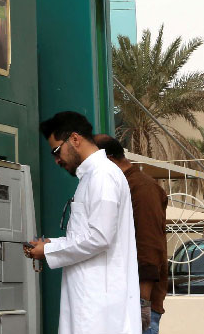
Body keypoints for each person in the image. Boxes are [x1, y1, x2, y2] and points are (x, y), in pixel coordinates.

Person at [25, 111, 140, 334]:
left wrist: (49, 249)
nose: (56, 160)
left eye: (57, 151)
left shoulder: (102, 176)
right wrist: (52, 244)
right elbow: (90, 234)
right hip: (91, 304)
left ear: (75, 139)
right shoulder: (92, 176)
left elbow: (100, 237)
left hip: (99, 310)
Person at [94, 134, 169, 334]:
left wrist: (142, 303)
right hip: (120, 302)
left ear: (108, 159)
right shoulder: (119, 184)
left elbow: (149, 246)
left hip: (136, 304)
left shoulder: (142, 188)